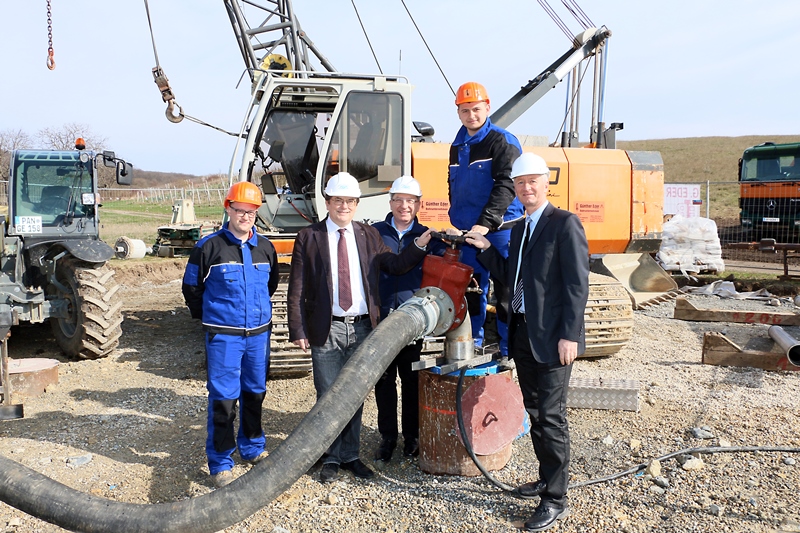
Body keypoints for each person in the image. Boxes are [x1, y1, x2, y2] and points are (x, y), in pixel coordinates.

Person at [466, 152, 589, 532]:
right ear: (515, 189)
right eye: (520, 183)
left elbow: (576, 284)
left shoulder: (565, 224)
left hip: (554, 340)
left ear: (546, 183)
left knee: (551, 417)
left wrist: (570, 335)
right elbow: (511, 277)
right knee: (535, 412)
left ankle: (555, 498)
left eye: (533, 181)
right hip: (523, 336)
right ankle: (545, 479)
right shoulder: (520, 228)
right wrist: (487, 252)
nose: (527, 188)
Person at [287, 172, 432, 483]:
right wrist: (298, 328)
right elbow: (297, 286)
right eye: (338, 200)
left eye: (350, 201)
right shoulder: (308, 237)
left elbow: (393, 265)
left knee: (354, 394)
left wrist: (418, 246)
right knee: (327, 394)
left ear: (356, 204)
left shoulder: (367, 235)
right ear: (327, 203)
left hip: (364, 327)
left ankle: (350, 455)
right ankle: (330, 456)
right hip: (328, 328)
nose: (344, 206)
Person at [182, 181, 280, 488]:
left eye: (251, 211)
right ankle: (221, 461)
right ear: (228, 209)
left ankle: (251, 447)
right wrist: (211, 319)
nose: (245, 216)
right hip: (224, 336)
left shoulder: (265, 247)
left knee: (255, 392)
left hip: (258, 336)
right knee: (224, 398)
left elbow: (271, 285)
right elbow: (191, 288)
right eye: (240, 210)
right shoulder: (209, 247)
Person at [371, 175, 445, 462]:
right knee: (384, 382)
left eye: (410, 201)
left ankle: (412, 436)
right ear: (390, 202)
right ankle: (388, 437)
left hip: (413, 323)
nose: (404, 206)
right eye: (399, 200)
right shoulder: (375, 233)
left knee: (412, 381)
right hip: (382, 319)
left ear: (418, 205)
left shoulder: (429, 236)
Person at [448, 81, 523, 359]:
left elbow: (507, 184)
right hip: (468, 233)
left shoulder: (502, 141)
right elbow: (454, 184)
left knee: (506, 293)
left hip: (500, 232)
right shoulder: (457, 146)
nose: (472, 116)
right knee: (472, 291)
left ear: (488, 108)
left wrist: (486, 223)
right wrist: (456, 219)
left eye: (477, 109)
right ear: (458, 112)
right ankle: (473, 344)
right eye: (465, 110)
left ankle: (508, 351)